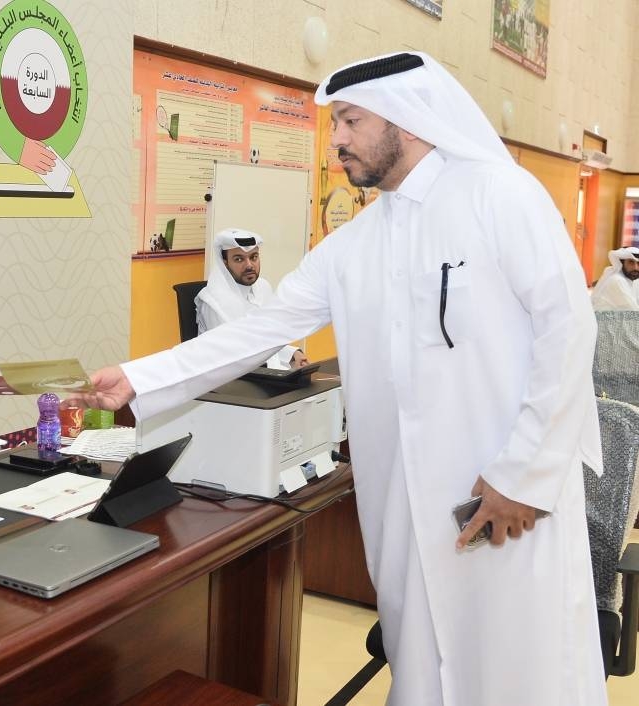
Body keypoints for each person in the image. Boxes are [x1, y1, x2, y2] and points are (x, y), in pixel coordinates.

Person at [68, 52, 605, 706]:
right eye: (335, 124)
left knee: (519, 671)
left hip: (504, 501)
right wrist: (137, 377)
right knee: (425, 668)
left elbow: (569, 332)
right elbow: (258, 330)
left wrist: (524, 473)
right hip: (407, 511)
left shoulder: (502, 196)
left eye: (350, 121)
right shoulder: (357, 243)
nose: (337, 141)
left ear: (405, 120)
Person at [195, 228, 306, 369]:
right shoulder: (214, 301)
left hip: (262, 371)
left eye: (253, 257)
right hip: (229, 379)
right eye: (239, 259)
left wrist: (291, 354)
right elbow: (233, 353)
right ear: (225, 263)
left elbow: (267, 337)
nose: (249, 265)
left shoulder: (263, 287)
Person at [590, 245, 639, 310]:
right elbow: (633, 311)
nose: (635, 268)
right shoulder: (617, 280)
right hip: (602, 318)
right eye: (631, 262)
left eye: (638, 263)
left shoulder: (633, 279)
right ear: (621, 263)